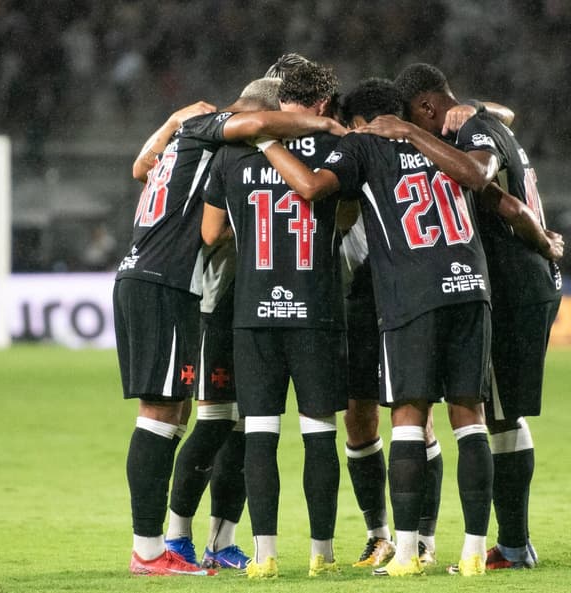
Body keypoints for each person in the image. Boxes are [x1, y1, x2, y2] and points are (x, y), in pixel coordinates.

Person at [261, 78, 499, 577]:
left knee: (408, 418)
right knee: (468, 417)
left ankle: (410, 551)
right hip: (468, 285)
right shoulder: (447, 138)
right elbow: (492, 136)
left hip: (407, 292)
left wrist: (262, 142)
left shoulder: (362, 146)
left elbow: (312, 188)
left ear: (356, 122)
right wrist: (471, 108)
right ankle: (473, 551)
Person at [116, 77, 343, 577]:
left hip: (161, 281)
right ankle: (155, 548)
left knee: (201, 417)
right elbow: (257, 125)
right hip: (175, 285)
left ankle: (202, 542)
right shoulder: (217, 133)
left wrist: (171, 120)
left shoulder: (186, 138)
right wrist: (323, 124)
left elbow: (139, 168)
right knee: (173, 417)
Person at [390, 62, 564, 571]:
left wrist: (540, 241)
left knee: (501, 415)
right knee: (503, 413)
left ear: (427, 107)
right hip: (525, 282)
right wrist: (475, 105)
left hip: (514, 285)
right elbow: (502, 122)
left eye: (414, 121)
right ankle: (514, 544)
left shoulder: (474, 134)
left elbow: (484, 177)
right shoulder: (482, 120)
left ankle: (513, 546)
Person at [160, 53, 316, 572]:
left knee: (248, 429)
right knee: (214, 423)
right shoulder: (220, 146)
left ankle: (220, 541)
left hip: (249, 305)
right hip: (215, 303)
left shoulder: (249, 151)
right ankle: (176, 536)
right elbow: (208, 232)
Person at [201, 61, 349, 580]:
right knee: (319, 435)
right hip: (315, 308)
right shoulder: (334, 148)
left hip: (254, 312)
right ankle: (322, 553)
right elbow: (348, 216)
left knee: (259, 435)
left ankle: (264, 556)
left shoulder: (231, 154)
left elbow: (209, 232)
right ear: (322, 104)